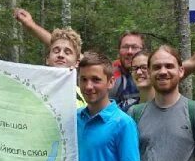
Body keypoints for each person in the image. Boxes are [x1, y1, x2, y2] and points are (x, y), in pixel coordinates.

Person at [13, 9, 146, 110]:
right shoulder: (107, 72)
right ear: (119, 50)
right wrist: (30, 25)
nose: (129, 52)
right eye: (125, 47)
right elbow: (67, 51)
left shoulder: (154, 71)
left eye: (134, 47)